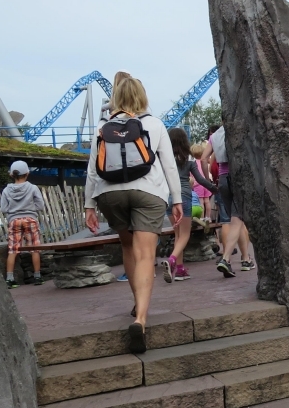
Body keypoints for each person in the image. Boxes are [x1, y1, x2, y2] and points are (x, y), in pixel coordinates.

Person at [85, 77, 182, 353]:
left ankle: (137, 301)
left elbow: (93, 170)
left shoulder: (103, 127)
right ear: (142, 96)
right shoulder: (154, 123)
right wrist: (176, 199)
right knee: (145, 254)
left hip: (110, 193)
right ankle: (141, 317)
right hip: (148, 192)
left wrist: (89, 205)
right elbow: (169, 166)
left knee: (128, 246)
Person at [163, 128, 218, 282]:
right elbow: (200, 180)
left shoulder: (164, 159)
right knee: (185, 234)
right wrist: (214, 188)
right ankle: (172, 260)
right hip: (184, 197)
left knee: (177, 235)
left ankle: (180, 270)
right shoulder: (189, 160)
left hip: (168, 199)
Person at [202, 125, 254, 277]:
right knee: (237, 220)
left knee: (233, 220)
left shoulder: (215, 136)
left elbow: (204, 158)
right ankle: (226, 259)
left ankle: (243, 259)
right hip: (238, 178)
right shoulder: (238, 128)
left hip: (223, 180)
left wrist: (209, 183)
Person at [0, 161, 46, 288]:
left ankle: (9, 279)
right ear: (27, 173)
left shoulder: (6, 190)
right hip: (30, 219)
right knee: (34, 249)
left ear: (11, 175)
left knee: (13, 250)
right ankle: (37, 276)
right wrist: (30, 208)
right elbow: (41, 205)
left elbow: (3, 209)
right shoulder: (32, 188)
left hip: (14, 220)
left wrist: (14, 211)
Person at [190, 142, 214, 222]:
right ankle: (208, 217)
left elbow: (192, 176)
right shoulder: (205, 161)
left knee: (200, 202)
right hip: (206, 184)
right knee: (207, 201)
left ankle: (202, 218)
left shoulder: (193, 163)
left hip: (198, 185)